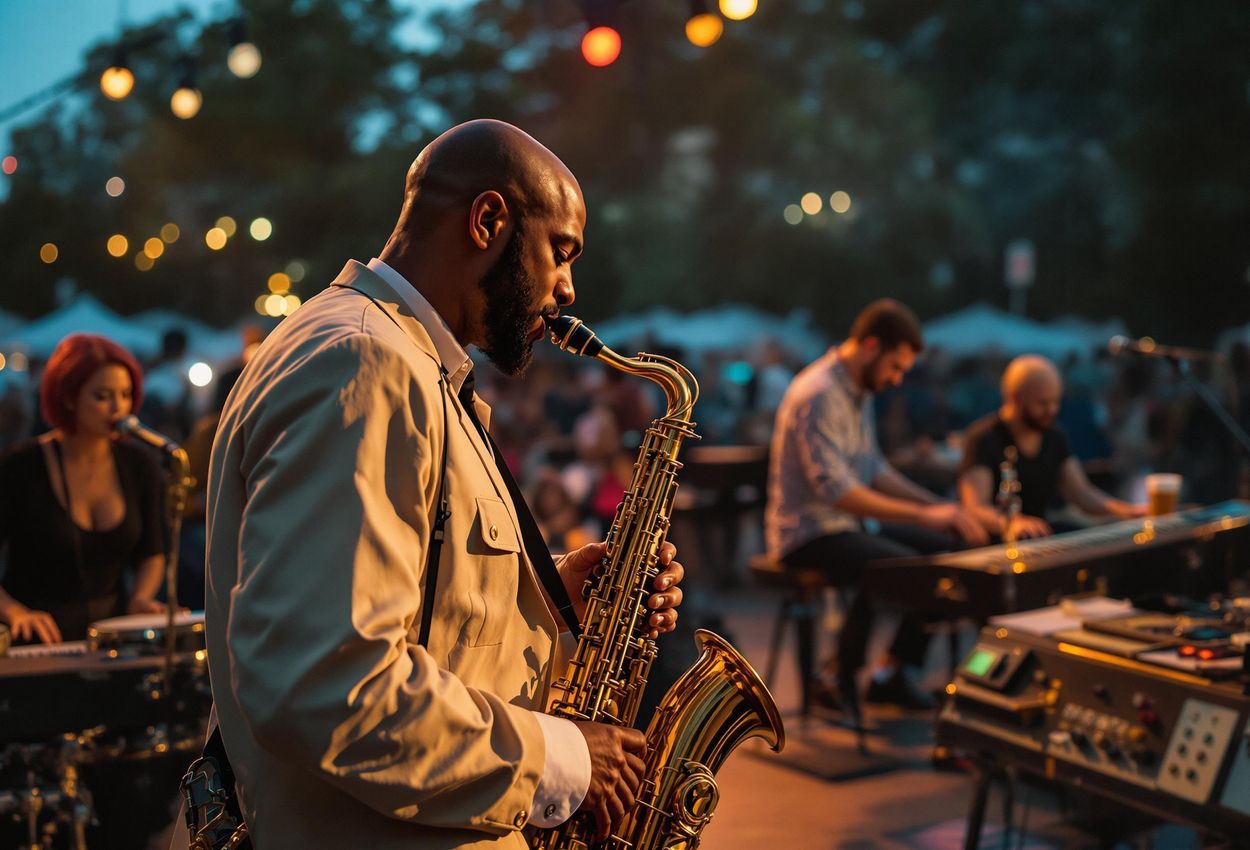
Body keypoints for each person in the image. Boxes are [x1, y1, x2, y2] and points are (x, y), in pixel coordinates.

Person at [191, 120, 685, 850]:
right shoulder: (362, 363)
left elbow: (415, 617)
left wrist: (557, 600)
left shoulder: (402, 364)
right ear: (488, 221)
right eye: (561, 251)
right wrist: (566, 759)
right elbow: (326, 684)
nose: (568, 289)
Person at [765, 299, 987, 713]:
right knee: (896, 568)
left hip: (845, 527)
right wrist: (925, 514)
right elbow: (836, 491)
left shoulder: (857, 389)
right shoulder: (819, 392)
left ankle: (894, 672)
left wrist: (943, 508)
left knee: (946, 553)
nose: (897, 379)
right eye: (895, 366)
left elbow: (873, 468)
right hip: (807, 533)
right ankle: (836, 677)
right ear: (871, 346)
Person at [0, 333, 168, 644]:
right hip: (37, 641)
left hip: (114, 642)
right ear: (68, 397)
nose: (118, 408)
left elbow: (152, 552)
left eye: (126, 394)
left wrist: (141, 598)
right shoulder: (21, 466)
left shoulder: (139, 464)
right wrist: (14, 612)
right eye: (102, 396)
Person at [958, 354, 1147, 539]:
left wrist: (1125, 510)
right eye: (1042, 403)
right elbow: (975, 507)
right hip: (996, 543)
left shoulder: (1054, 436)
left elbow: (1081, 492)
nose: (1052, 410)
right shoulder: (983, 438)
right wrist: (1012, 523)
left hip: (1038, 535)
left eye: (1056, 401)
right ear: (1015, 399)